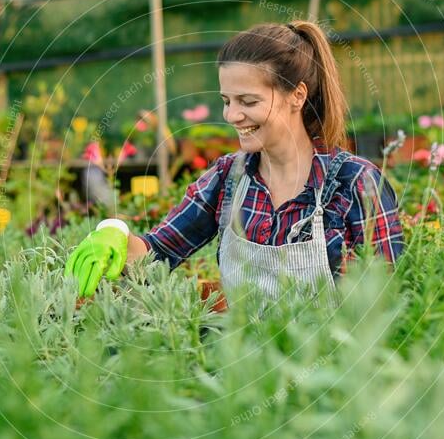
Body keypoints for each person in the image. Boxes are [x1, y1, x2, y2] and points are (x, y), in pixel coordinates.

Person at [65, 21, 405, 304]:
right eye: (227, 100)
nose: (232, 115)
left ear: (297, 96)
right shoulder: (229, 178)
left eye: (248, 101)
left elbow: (385, 303)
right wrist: (113, 233)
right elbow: (158, 251)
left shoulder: (355, 183)